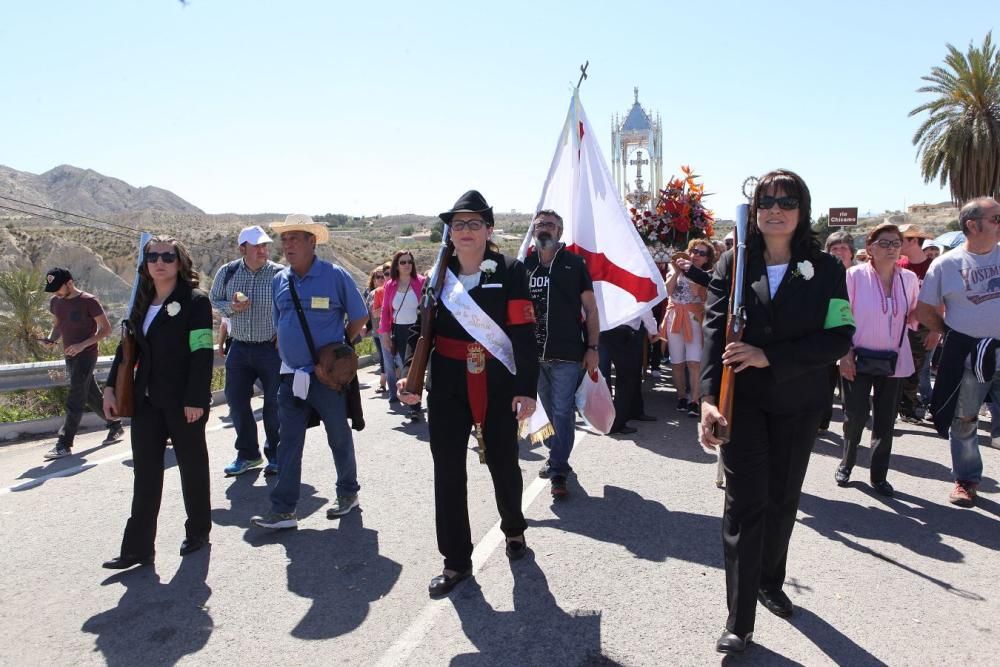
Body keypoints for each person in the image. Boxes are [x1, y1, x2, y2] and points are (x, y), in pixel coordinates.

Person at [699, 169, 855, 654]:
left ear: (802, 210)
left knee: (783, 499)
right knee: (745, 506)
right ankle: (738, 620)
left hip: (798, 402)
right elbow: (712, 328)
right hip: (742, 404)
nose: (775, 209)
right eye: (766, 201)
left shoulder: (826, 268)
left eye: (787, 201)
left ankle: (769, 580)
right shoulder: (732, 262)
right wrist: (707, 398)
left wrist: (773, 357)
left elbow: (839, 336)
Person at [397, 190, 538, 598]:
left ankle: (513, 529)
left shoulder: (510, 270)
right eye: (458, 224)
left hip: (496, 379)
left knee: (504, 463)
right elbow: (420, 331)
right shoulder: (438, 275)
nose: (465, 231)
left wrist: (526, 389)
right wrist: (411, 374)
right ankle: (456, 560)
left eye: (474, 223)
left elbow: (524, 334)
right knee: (447, 471)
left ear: (489, 230)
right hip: (446, 382)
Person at [101, 237, 214, 568]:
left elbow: (202, 353)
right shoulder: (142, 300)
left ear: (180, 263)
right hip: (146, 401)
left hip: (183, 402)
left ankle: (198, 532)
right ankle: (137, 548)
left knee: (192, 469)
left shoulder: (195, 301)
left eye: (168, 256)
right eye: (153, 256)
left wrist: (195, 399)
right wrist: (110, 387)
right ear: (145, 264)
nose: (159, 261)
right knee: (146, 474)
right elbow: (127, 350)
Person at [251, 214, 368, 529]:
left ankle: (348, 493)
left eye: (294, 238)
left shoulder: (335, 276)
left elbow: (359, 316)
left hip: (326, 379)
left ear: (311, 242)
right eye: (284, 239)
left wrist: (340, 351)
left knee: (338, 436)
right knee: (288, 442)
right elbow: (279, 323)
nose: (287, 245)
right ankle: (284, 509)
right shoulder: (279, 280)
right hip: (290, 377)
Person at [916, 197, 1000, 508]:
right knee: (964, 420)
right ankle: (966, 480)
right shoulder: (946, 264)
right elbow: (924, 311)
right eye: (996, 218)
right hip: (968, 357)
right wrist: (952, 334)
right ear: (972, 225)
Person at [835, 224, 919, 497]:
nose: (892, 248)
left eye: (896, 243)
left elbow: (914, 316)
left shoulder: (908, 279)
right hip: (857, 357)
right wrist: (844, 354)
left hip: (894, 359)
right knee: (856, 416)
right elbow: (841, 318)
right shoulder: (853, 276)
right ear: (870, 248)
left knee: (886, 420)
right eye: (884, 243)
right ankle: (846, 463)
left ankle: (878, 475)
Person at [523, 208, 600, 497]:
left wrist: (593, 347)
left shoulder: (574, 264)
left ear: (560, 232)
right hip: (533, 356)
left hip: (568, 355)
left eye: (551, 225)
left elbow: (591, 309)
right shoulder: (525, 266)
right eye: (540, 224)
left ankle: (558, 470)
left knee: (562, 411)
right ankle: (556, 456)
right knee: (548, 413)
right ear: (533, 230)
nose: (545, 228)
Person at [209, 225, 285, 477]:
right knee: (236, 402)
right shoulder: (227, 272)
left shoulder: (279, 274)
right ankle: (248, 455)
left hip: (270, 350)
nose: (264, 250)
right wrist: (231, 308)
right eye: (258, 246)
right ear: (243, 248)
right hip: (239, 347)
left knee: (274, 404)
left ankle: (275, 455)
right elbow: (214, 299)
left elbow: (291, 307)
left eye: (265, 245)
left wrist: (283, 332)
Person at [41, 267, 124, 459]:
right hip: (69, 355)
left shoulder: (89, 301)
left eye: (57, 288)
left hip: (86, 355)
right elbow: (57, 326)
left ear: (69, 283)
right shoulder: (56, 302)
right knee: (90, 395)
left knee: (76, 397)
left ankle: (64, 443)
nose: (55, 292)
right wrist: (51, 339)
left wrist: (82, 345)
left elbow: (106, 330)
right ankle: (115, 424)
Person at [662, 239, 714, 418]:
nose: (696, 255)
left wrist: (695, 277)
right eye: (694, 251)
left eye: (701, 253)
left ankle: (694, 400)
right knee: (677, 362)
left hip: (694, 319)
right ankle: (681, 397)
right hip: (675, 318)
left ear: (707, 259)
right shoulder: (675, 270)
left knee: (694, 362)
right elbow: (667, 292)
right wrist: (676, 272)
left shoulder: (708, 275)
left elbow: (707, 297)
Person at [896, 223, 938, 423]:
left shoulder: (933, 267)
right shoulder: (898, 265)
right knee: (894, 368)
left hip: (922, 328)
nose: (897, 244)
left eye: (901, 240)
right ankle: (896, 406)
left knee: (915, 370)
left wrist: (935, 331)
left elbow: (942, 301)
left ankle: (908, 408)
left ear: (914, 241)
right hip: (897, 325)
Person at [379, 250, 425, 421]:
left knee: (416, 367)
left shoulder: (421, 282)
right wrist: (384, 333)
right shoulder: (390, 285)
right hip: (398, 330)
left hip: (418, 330)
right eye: (403, 262)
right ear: (396, 266)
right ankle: (411, 398)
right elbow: (384, 311)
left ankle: (415, 405)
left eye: (409, 262)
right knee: (404, 366)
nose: (407, 265)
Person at [818, 230, 855, 430]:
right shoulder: (824, 274)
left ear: (851, 252)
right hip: (828, 335)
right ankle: (822, 422)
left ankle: (852, 428)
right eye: (834, 248)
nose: (839, 252)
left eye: (843, 248)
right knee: (825, 384)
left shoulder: (860, 274)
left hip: (854, 337)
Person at [365, 266, 389, 393]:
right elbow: (368, 314)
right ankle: (385, 383)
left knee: (390, 357)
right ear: (373, 279)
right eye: (377, 277)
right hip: (376, 330)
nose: (380, 279)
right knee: (383, 357)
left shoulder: (389, 291)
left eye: (383, 276)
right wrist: (364, 327)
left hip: (388, 330)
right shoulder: (370, 295)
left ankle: (384, 382)